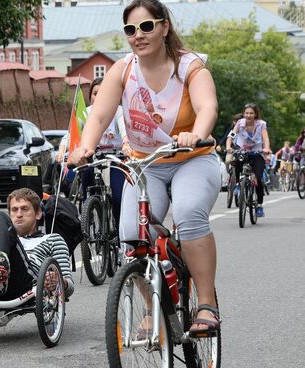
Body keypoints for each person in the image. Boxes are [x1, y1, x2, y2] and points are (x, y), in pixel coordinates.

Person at [70, 0, 221, 336]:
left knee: (188, 211)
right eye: (130, 30)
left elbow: (207, 105)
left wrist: (196, 133)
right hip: (146, 164)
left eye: (146, 26)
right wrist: (86, 146)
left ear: (164, 27)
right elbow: (98, 114)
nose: (138, 35)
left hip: (192, 159)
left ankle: (206, 304)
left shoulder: (190, 66)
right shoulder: (123, 70)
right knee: (131, 234)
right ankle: (154, 308)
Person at [57, 78, 128, 222]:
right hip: (92, 156)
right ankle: (87, 217)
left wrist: (126, 144)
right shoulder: (85, 113)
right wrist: (61, 150)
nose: (98, 97)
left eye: (103, 93)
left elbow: (124, 129)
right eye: (95, 93)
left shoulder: (118, 111)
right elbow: (70, 135)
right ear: (90, 96)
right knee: (86, 182)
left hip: (115, 157)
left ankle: (121, 234)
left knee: (119, 196)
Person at [227, 103, 272, 214]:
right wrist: (228, 146)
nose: (248, 115)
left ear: (255, 114)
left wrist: (266, 148)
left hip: (257, 153)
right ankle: (238, 184)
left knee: (258, 178)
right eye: (246, 113)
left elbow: (265, 137)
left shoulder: (261, 124)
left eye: (251, 113)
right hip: (243, 152)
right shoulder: (239, 123)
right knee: (237, 161)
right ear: (244, 114)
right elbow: (231, 135)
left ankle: (260, 205)